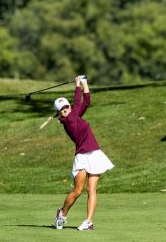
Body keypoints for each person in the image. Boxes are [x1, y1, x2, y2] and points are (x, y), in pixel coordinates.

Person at [53, 75, 114, 230]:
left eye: (66, 107)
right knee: (77, 191)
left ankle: (89, 221)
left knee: (91, 189)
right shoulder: (69, 120)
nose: (65, 109)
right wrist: (77, 84)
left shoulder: (75, 114)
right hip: (82, 156)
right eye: (61, 109)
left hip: (94, 154)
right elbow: (77, 100)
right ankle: (62, 213)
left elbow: (86, 102)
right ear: (59, 113)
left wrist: (85, 82)